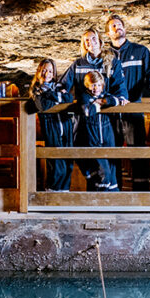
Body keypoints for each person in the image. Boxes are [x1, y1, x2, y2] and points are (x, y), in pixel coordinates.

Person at [59, 29, 126, 190]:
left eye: (93, 39)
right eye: (86, 40)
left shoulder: (111, 62)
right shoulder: (78, 64)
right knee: (89, 156)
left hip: (107, 119)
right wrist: (61, 92)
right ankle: (94, 197)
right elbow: (64, 84)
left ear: (101, 41)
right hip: (86, 119)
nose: (90, 42)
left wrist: (116, 100)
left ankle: (113, 198)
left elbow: (120, 87)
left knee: (110, 159)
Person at [105, 14, 150, 190]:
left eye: (119, 24)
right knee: (111, 152)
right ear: (108, 33)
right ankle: (113, 192)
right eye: (113, 26)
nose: (117, 28)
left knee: (137, 151)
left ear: (125, 28)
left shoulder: (140, 51)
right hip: (111, 112)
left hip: (134, 111)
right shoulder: (104, 56)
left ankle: (141, 193)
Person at [29, 59, 73, 192]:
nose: (46, 73)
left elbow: (69, 99)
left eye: (50, 71)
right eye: (44, 70)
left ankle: (64, 192)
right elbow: (43, 106)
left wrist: (49, 94)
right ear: (38, 72)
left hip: (65, 124)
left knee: (68, 161)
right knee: (55, 162)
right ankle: (52, 192)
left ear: (53, 74)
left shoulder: (58, 87)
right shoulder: (36, 90)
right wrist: (58, 98)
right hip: (51, 126)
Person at [77, 71, 120, 191]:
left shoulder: (105, 95)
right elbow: (86, 111)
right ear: (87, 85)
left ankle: (113, 200)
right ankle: (99, 201)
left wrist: (101, 102)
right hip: (93, 136)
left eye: (99, 85)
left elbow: (115, 101)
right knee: (102, 172)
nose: (96, 88)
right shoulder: (85, 97)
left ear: (103, 85)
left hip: (107, 136)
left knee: (111, 170)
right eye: (93, 85)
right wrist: (98, 106)